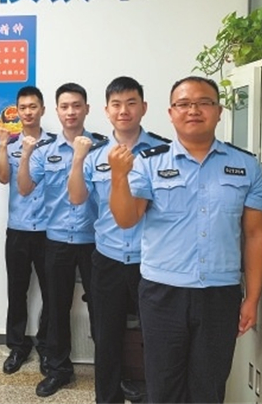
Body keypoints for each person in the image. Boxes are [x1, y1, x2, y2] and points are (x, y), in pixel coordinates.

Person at [108, 76, 262, 403]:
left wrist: (252, 298)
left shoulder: (245, 165)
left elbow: (255, 234)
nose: (193, 110)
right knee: (163, 386)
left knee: (209, 387)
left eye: (204, 102)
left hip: (219, 294)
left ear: (219, 111)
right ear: (171, 113)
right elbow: (126, 219)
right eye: (183, 104)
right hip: (162, 293)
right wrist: (118, 177)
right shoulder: (150, 163)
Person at [68, 76, 170, 403]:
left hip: (151, 262)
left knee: (158, 339)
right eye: (116, 104)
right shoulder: (95, 154)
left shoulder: (163, 152)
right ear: (106, 110)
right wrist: (77, 159)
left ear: (144, 107)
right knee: (106, 338)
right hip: (107, 259)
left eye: (130, 103)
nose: (123, 110)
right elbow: (77, 198)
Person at [17, 82, 104, 398]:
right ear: (56, 111)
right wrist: (25, 155)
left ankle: (109, 373)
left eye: (76, 105)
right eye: (65, 106)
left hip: (95, 242)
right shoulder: (45, 150)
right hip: (55, 240)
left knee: (103, 310)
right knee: (56, 308)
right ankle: (58, 370)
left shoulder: (102, 148)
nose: (71, 112)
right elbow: (24, 188)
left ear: (87, 109)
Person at [0, 85, 54, 376]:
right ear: (16, 112)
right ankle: (18, 346)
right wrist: (2, 146)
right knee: (17, 291)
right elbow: (2, 177)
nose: (28, 112)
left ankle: (47, 345)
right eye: (23, 108)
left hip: (49, 231)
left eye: (33, 107)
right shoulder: (12, 144)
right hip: (18, 228)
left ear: (42, 109)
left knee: (52, 294)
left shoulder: (55, 145)